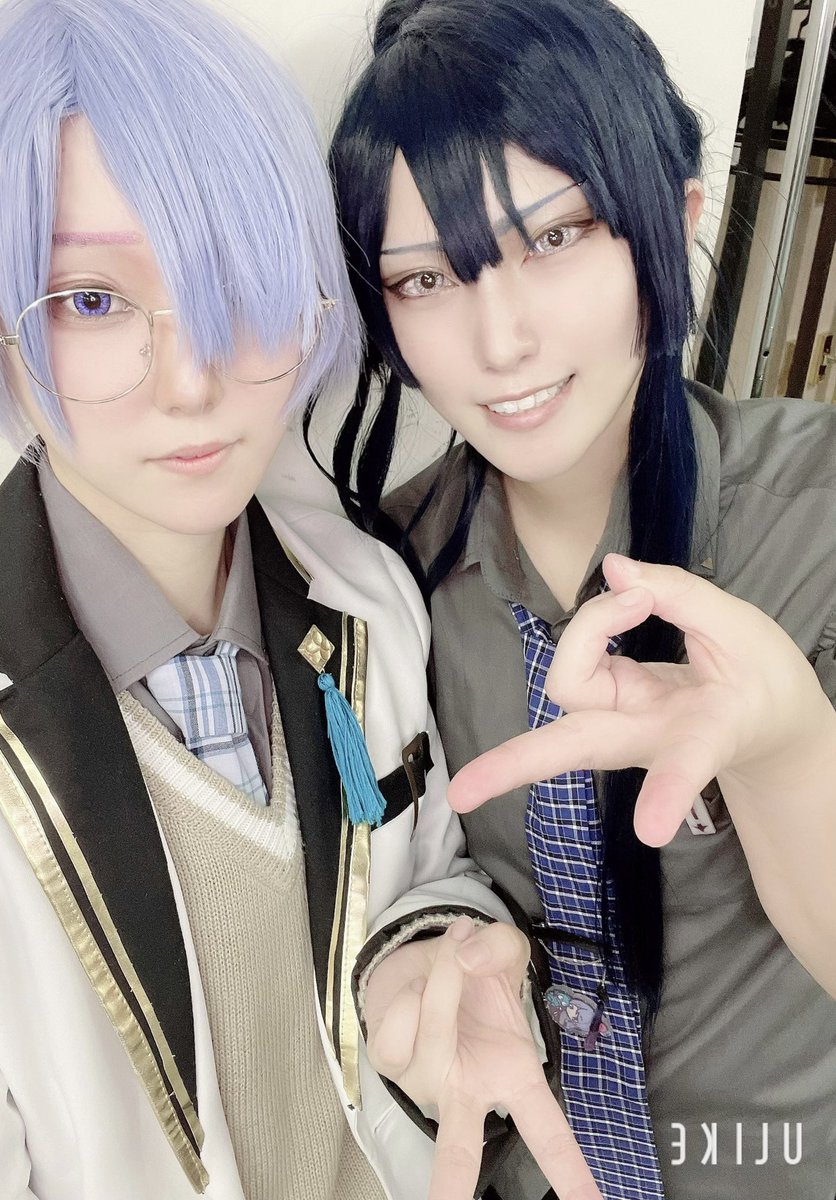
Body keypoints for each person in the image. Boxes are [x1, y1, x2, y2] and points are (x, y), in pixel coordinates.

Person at [0, 2, 604, 1199]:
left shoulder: (365, 590)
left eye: (236, 280)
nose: (194, 378)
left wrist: (434, 959)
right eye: (89, 300)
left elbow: (422, 867)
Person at [323, 1, 836, 1198]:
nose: (500, 339)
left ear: (678, 220)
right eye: (426, 277)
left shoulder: (816, 513)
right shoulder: (381, 581)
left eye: (555, 238)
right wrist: (420, 956)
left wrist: (787, 749)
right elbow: (378, 869)